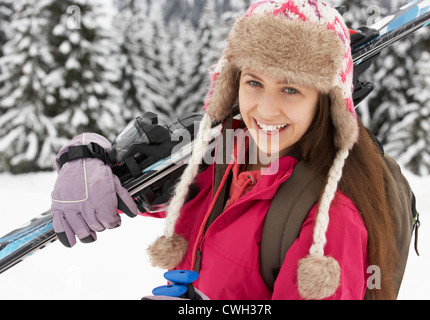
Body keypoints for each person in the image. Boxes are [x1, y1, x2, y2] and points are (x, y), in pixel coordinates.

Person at [51, 0, 400, 300]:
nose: (265, 109)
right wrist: (87, 156)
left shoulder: (332, 219)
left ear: (325, 102)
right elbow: (147, 188)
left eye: (291, 89)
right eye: (254, 82)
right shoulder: (229, 149)